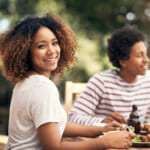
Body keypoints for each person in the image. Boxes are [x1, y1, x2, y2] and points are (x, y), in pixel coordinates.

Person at [0, 15, 135, 150]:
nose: (52, 51)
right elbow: (53, 147)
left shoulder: (26, 82)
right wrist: (104, 142)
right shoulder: (42, 87)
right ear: (26, 52)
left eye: (55, 43)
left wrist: (101, 129)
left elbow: (57, 125)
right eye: (41, 46)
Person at [68, 27, 150, 126]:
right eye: (139, 55)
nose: (146, 60)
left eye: (146, 54)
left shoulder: (148, 81)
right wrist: (102, 122)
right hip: (106, 140)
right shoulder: (102, 82)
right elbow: (72, 118)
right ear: (123, 61)